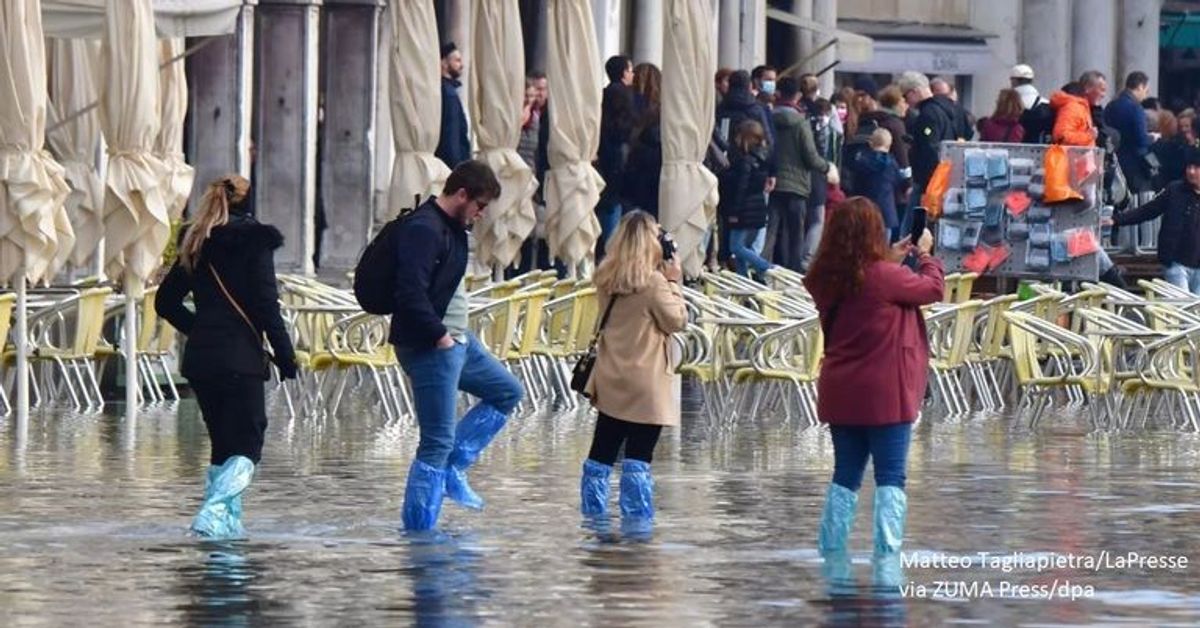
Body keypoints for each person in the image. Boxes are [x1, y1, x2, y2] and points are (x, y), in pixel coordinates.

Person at [802, 197, 943, 569]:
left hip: (841, 392)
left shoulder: (824, 279)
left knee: (845, 474)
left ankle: (831, 552)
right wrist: (925, 254)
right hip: (885, 395)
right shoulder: (884, 276)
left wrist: (890, 258)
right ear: (872, 234)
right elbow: (932, 289)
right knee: (890, 476)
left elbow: (866, 280)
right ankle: (887, 557)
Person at [156, 174, 298, 539]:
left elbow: (165, 301)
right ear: (249, 203)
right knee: (249, 442)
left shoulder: (196, 239)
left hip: (203, 360)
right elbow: (268, 306)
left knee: (223, 443)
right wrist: (286, 356)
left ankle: (227, 524)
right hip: (241, 360)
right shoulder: (254, 241)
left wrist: (199, 329)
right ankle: (213, 512)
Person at [390, 161, 524, 531]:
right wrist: (440, 336)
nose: (481, 215)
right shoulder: (424, 228)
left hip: (459, 342)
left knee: (508, 391)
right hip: (433, 345)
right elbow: (409, 292)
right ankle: (419, 531)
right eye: (479, 206)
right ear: (461, 194)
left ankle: (453, 467)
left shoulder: (451, 228)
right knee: (435, 441)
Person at [580, 211, 687, 531]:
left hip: (611, 376)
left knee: (600, 456)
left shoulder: (606, 276)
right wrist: (673, 281)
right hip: (646, 382)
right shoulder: (653, 283)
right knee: (638, 458)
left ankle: (593, 522)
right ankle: (636, 531)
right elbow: (676, 320)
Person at [767, 77, 834, 271]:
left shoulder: (768, 117)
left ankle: (763, 268)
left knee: (771, 230)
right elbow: (811, 156)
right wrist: (826, 167)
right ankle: (793, 271)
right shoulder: (800, 122)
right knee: (796, 232)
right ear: (797, 96)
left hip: (773, 181)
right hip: (797, 184)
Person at [1112, 149, 1200, 294]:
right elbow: (1148, 211)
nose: (1191, 172)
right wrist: (1116, 220)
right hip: (1176, 262)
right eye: (1189, 167)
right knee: (1183, 309)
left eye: (1196, 168)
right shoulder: (1175, 190)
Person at [720, 120, 774, 279]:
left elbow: (740, 188)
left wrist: (734, 212)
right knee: (743, 248)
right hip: (757, 207)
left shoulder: (745, 161)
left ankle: (765, 266)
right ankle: (743, 277)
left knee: (736, 247)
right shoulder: (763, 159)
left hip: (744, 210)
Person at [596, 55, 636, 259]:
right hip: (616, 163)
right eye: (630, 70)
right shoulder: (623, 96)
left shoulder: (603, 94)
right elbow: (624, 127)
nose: (633, 74)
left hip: (606, 160)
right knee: (613, 208)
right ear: (623, 73)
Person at [850, 128, 909, 242]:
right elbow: (898, 181)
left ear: (871, 143)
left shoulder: (862, 160)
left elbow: (855, 181)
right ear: (889, 145)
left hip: (865, 209)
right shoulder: (892, 163)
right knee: (883, 244)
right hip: (886, 211)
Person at [1104, 71, 1154, 193]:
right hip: (1135, 163)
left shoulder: (1111, 105)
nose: (1145, 96)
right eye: (1146, 91)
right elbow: (1141, 139)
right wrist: (1152, 138)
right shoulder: (1136, 108)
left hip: (1114, 161)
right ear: (1140, 86)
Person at [435, 43, 471, 169]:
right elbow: (452, 135)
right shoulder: (449, 93)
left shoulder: (445, 90)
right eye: (457, 60)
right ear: (444, 63)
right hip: (451, 165)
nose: (461, 65)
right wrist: (457, 167)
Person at [1011, 64, 1054, 144]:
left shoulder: (1007, 105)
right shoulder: (1046, 104)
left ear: (1014, 81)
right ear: (1031, 80)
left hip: (1014, 153)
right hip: (1041, 152)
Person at [1152, 110, 1190, 187]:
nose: (1183, 129)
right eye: (1180, 126)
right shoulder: (1176, 146)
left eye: (1187, 126)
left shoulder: (1154, 146)